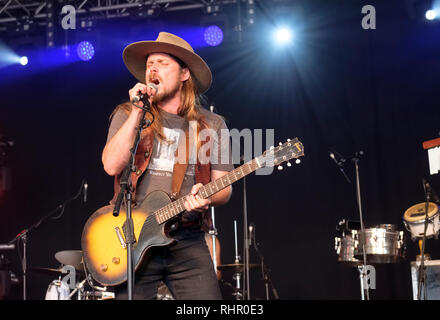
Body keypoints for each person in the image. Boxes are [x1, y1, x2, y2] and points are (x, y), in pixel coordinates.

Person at [102, 32, 233, 300]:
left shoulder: (211, 124)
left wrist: (205, 197)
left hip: (187, 239)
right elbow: (111, 166)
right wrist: (138, 111)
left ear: (185, 73)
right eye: (149, 64)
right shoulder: (127, 115)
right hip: (134, 239)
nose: (152, 68)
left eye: (162, 62)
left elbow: (224, 189)